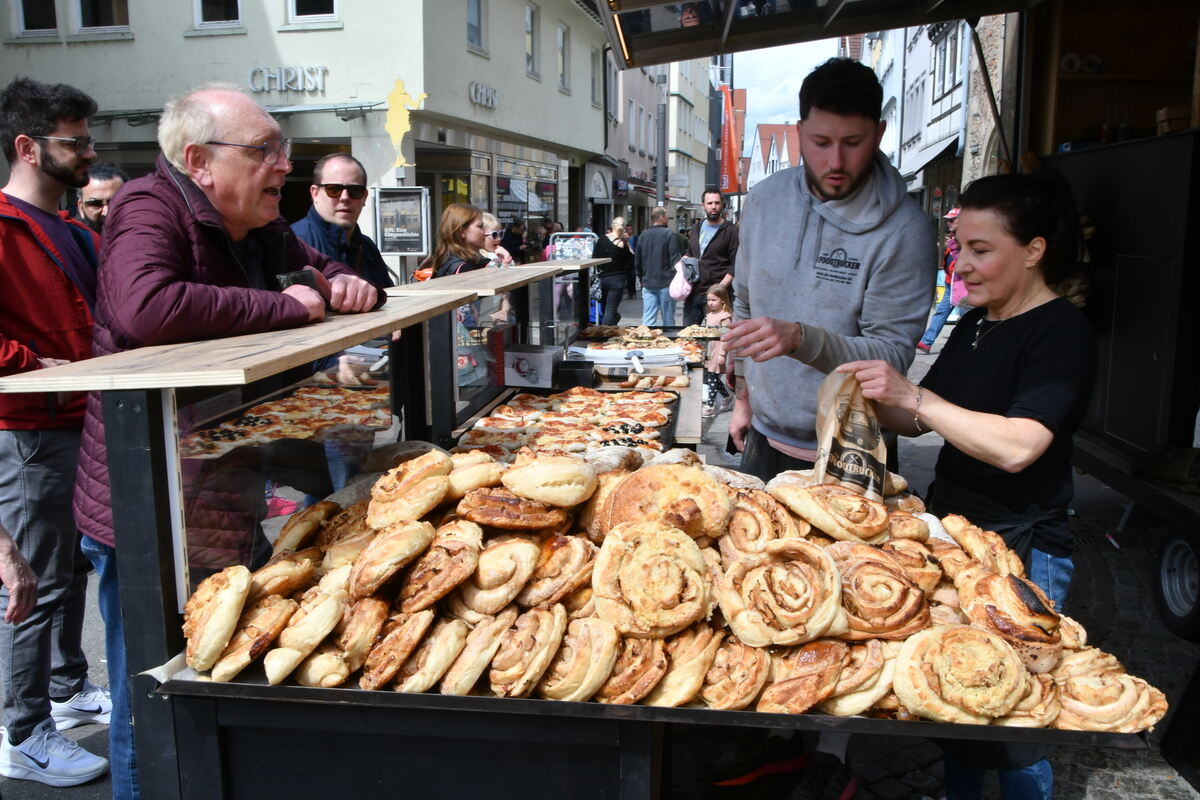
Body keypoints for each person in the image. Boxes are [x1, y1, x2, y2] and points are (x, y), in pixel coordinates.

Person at [71, 82, 382, 800]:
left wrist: (340, 283)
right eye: (264, 150)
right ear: (198, 162)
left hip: (225, 484)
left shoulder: (257, 220)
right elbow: (145, 306)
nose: (283, 166)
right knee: (150, 700)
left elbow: (315, 266)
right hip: (151, 501)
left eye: (284, 151)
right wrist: (284, 306)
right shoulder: (149, 206)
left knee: (220, 672)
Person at [839, 171, 1095, 800]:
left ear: (1034, 250)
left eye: (983, 250)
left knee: (1017, 720)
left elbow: (1018, 446)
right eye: (960, 248)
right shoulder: (975, 322)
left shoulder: (1061, 331)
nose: (964, 265)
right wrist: (859, 385)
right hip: (957, 536)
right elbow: (921, 415)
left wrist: (914, 395)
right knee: (959, 697)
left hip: (1022, 550)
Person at [723, 57, 934, 490]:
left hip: (852, 450)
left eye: (853, 142)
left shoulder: (905, 231)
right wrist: (743, 398)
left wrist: (803, 339)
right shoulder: (763, 201)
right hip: (763, 435)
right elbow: (745, 303)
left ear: (878, 133)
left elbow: (891, 357)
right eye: (820, 142)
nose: (835, 160)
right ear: (799, 132)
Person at [0, 76, 111, 789]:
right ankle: (22, 732)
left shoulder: (73, 229)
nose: (89, 153)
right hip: (30, 431)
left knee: (67, 571)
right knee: (28, 584)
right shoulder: (5, 228)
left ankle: (65, 692)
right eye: (75, 142)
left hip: (76, 419)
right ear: (26, 146)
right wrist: (28, 362)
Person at [292, 152, 394, 289]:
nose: (345, 197)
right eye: (334, 189)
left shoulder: (367, 247)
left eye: (355, 190)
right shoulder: (293, 243)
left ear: (364, 197)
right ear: (315, 193)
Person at [683, 188, 738, 326]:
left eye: (717, 203)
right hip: (695, 293)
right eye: (710, 203)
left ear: (722, 204)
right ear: (703, 205)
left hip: (719, 296)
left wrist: (720, 287)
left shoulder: (730, 230)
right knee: (688, 337)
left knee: (717, 339)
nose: (713, 207)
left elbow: (736, 263)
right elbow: (691, 252)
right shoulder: (696, 228)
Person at [916, 207, 962, 353]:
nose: (949, 223)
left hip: (962, 284)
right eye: (948, 220)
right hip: (951, 282)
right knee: (941, 312)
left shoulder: (964, 238)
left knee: (968, 316)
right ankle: (926, 342)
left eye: (952, 220)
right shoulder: (954, 238)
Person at [634, 206, 681, 326]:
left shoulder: (643, 235)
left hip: (648, 282)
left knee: (648, 318)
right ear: (661, 217)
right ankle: (669, 343)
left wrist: (641, 278)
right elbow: (675, 261)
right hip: (666, 283)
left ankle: (646, 342)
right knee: (668, 320)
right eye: (666, 216)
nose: (667, 219)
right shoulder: (669, 235)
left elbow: (637, 260)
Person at [590, 216, 634, 326]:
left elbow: (595, 257)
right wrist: (627, 243)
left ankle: (610, 327)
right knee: (611, 309)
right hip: (617, 279)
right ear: (623, 229)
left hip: (603, 278)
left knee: (606, 308)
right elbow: (631, 259)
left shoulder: (601, 239)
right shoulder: (622, 244)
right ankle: (605, 333)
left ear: (612, 226)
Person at [701, 284, 734, 419]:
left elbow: (726, 338)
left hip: (717, 350)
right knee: (711, 377)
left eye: (714, 300)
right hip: (708, 350)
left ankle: (710, 406)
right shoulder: (709, 315)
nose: (710, 303)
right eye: (709, 300)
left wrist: (722, 354)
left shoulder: (724, 317)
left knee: (713, 377)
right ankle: (727, 397)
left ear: (723, 300)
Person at [75, 161, 127, 234]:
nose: (106, 212)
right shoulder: (69, 241)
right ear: (81, 207)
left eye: (114, 202)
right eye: (95, 204)